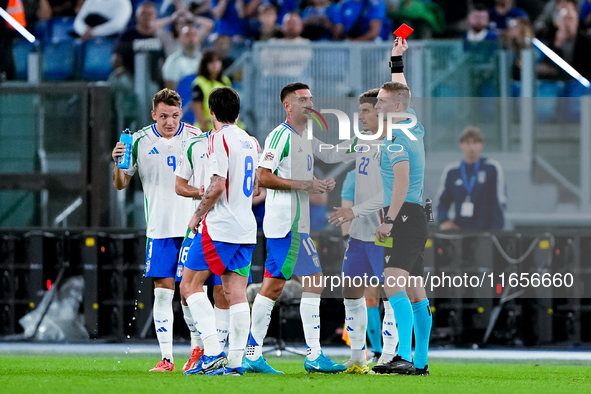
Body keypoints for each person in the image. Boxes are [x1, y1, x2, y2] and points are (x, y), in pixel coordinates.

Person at [242, 82, 345, 374]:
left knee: (272, 288)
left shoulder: (305, 138)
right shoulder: (280, 136)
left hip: (293, 225)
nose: (309, 103)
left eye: (311, 98)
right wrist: (306, 184)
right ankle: (313, 354)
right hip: (287, 226)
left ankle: (252, 353)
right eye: (303, 99)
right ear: (288, 106)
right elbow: (263, 177)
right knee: (314, 280)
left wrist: (362, 144)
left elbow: (330, 156)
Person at [349, 37, 431, 376]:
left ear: (394, 107)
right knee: (414, 288)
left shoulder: (396, 138)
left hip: (405, 214)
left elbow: (401, 179)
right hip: (417, 212)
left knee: (393, 282)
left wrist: (390, 221)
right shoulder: (411, 122)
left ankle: (403, 356)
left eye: (381, 102)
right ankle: (420, 361)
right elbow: (402, 91)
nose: (377, 105)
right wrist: (396, 60)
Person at [111, 88, 203, 372]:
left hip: (192, 227)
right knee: (163, 292)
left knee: (191, 293)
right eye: (163, 116)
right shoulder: (138, 140)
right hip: (160, 229)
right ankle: (167, 359)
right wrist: (117, 163)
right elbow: (120, 184)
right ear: (154, 115)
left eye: (175, 115)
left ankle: (197, 353)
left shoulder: (195, 135)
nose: (170, 122)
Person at [315, 89, 399, 373]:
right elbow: (332, 153)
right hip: (361, 234)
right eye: (359, 111)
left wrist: (354, 211)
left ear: (381, 111)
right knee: (351, 292)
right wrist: (302, 138)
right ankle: (357, 357)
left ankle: (388, 356)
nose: (360, 116)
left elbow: (391, 193)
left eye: (365, 110)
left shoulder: (392, 145)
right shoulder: (361, 142)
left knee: (390, 295)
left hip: (385, 231)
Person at [181, 87, 259, 376]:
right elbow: (256, 187)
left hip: (220, 226)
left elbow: (216, 186)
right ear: (237, 113)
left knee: (189, 286)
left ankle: (213, 354)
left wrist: (196, 215)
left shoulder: (216, 139)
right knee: (235, 292)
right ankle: (236, 362)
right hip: (246, 227)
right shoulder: (251, 141)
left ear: (211, 112)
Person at [174, 130, 231, 372]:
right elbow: (179, 185)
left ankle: (216, 352)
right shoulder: (193, 145)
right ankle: (200, 348)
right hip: (199, 228)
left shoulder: (238, 142)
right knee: (185, 290)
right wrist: (199, 193)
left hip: (223, 226)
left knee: (223, 291)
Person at [436, 126, 507, 231]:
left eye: (475, 143)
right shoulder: (452, 171)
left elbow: (499, 201)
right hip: (459, 230)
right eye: (468, 143)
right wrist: (444, 220)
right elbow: (442, 201)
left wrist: (496, 231)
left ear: (481, 145)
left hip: (486, 231)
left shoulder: (492, 168)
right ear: (461, 145)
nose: (471, 147)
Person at [536, 1, 591, 81]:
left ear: (576, 21)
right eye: (564, 19)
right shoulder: (549, 39)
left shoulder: (586, 42)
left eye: (570, 19)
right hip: (555, 84)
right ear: (558, 21)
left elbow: (584, 70)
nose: (567, 24)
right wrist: (557, 45)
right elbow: (547, 66)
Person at [191, 49, 233, 132]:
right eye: (211, 62)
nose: (215, 65)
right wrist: (205, 129)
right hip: (207, 126)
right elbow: (197, 107)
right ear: (205, 65)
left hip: (225, 126)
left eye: (217, 61)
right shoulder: (199, 82)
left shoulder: (226, 81)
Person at [162, 25, 203, 89]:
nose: (191, 38)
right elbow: (170, 89)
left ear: (199, 38)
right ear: (180, 38)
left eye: (194, 35)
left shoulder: (203, 59)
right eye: (187, 35)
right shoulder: (173, 61)